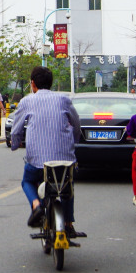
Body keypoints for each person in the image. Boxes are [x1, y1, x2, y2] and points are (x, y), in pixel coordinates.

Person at [9, 66, 83, 241]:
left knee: (27, 181)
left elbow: (15, 130)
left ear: (33, 84)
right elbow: (76, 123)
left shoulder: (27, 101)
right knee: (67, 184)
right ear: (51, 83)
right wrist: (75, 141)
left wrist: (14, 144)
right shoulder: (63, 100)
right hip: (65, 160)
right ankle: (68, 224)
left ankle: (36, 206)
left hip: (37, 163)